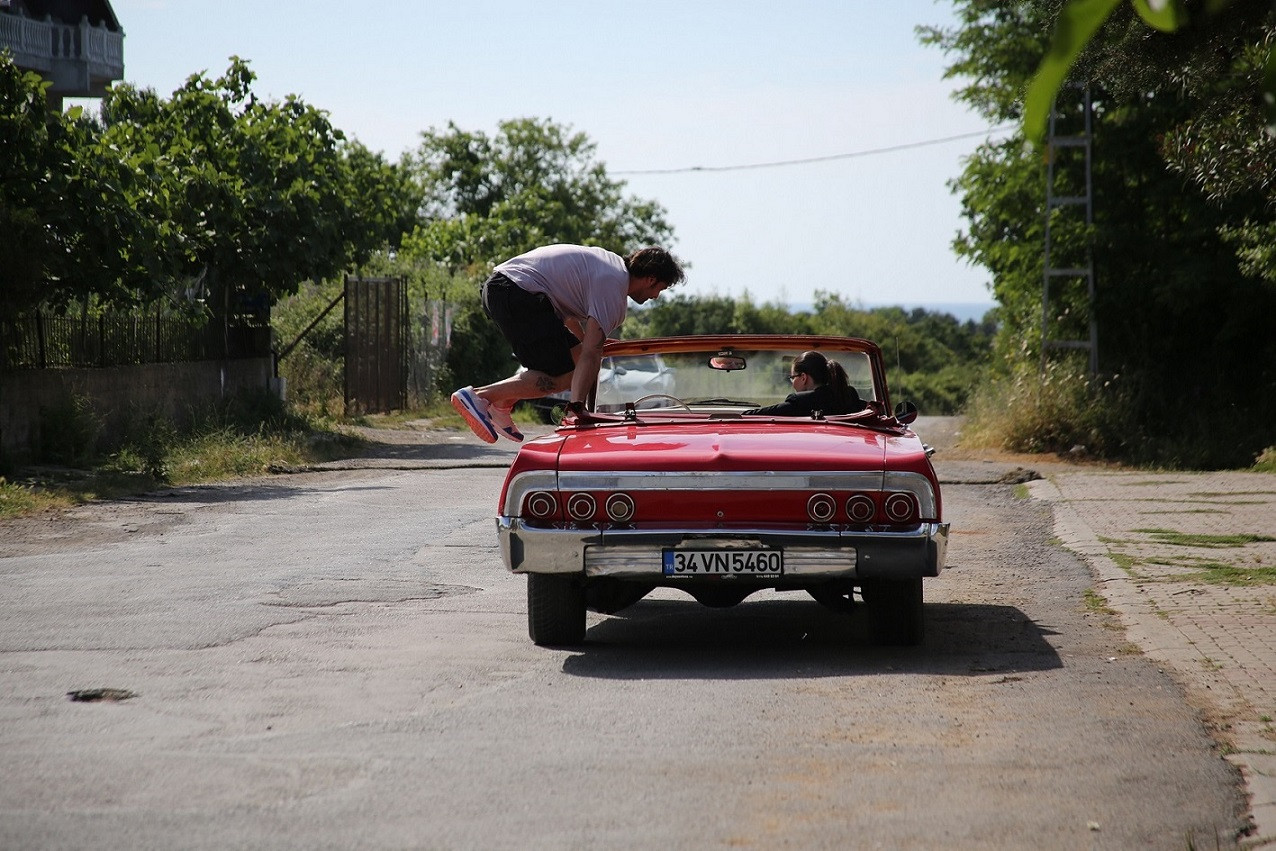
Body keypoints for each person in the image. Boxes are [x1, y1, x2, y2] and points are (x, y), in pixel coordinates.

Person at [450, 244, 684, 443]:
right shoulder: (614, 287)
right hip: (517, 293)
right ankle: (479, 396)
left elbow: (573, 324)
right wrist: (577, 407)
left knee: (572, 362)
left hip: (505, 289)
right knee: (558, 378)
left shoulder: (610, 266)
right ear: (651, 279)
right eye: (660, 289)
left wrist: (589, 342)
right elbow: (592, 354)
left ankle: (501, 405)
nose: (656, 296)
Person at [744, 350, 865, 417]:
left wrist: (743, 414)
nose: (792, 382)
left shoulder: (800, 402)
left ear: (803, 378)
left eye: (792, 377)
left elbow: (763, 414)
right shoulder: (849, 396)